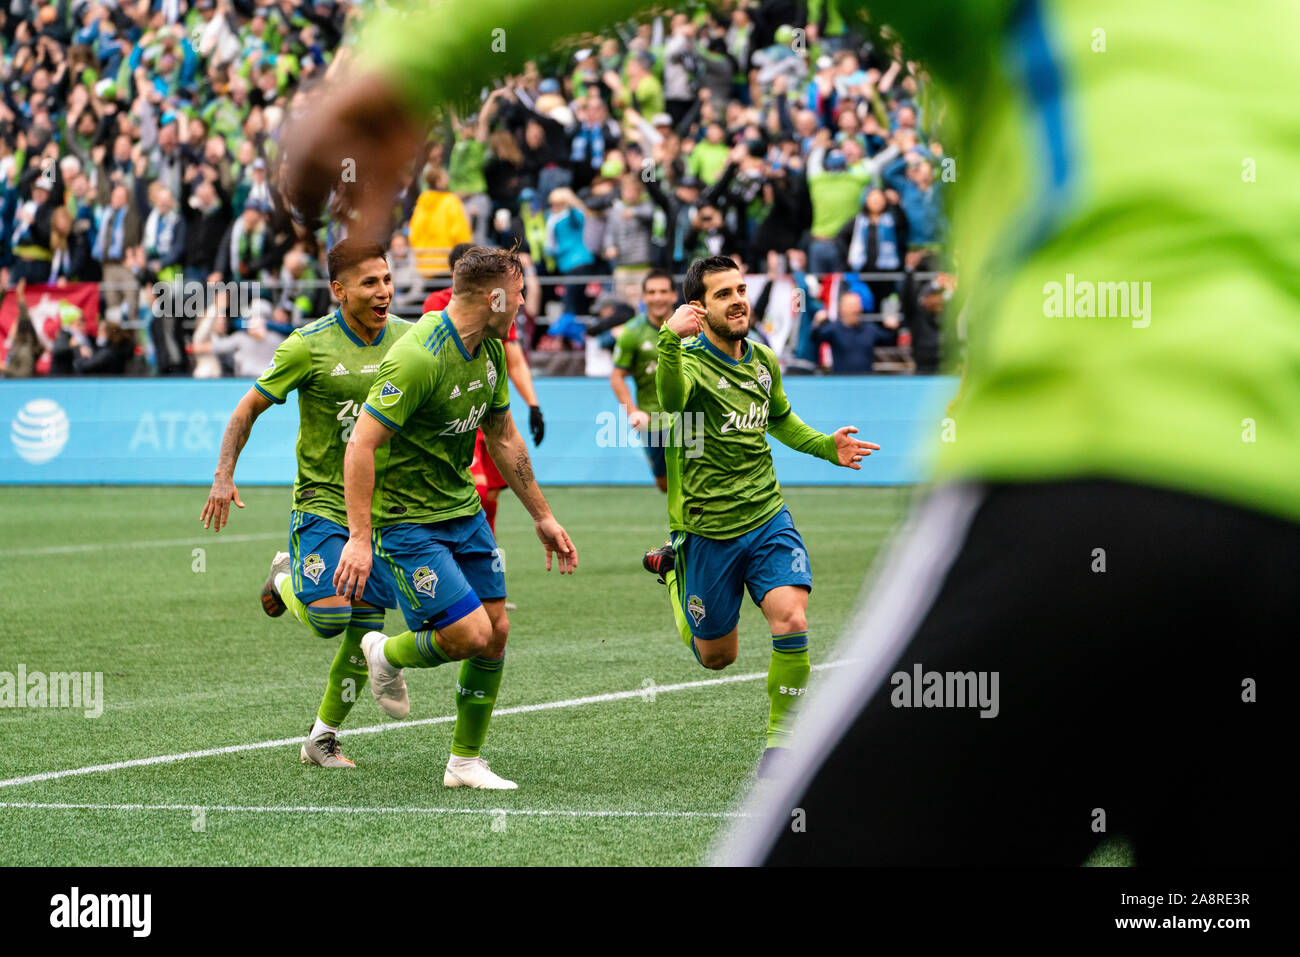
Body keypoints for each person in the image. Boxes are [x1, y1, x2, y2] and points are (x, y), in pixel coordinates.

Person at [336, 246, 578, 790]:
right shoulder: (419, 355)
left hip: (464, 510)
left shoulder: (490, 352)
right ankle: (383, 651)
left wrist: (541, 515)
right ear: (494, 296)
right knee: (469, 635)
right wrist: (359, 537)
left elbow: (503, 438)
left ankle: (463, 764)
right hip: (408, 520)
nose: (523, 304)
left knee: (497, 633)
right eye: (518, 294)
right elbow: (361, 446)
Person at [641, 255, 878, 777]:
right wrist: (667, 338)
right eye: (724, 293)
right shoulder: (688, 361)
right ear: (699, 309)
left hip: (767, 515)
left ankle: (782, 745)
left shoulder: (764, 360)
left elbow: (781, 420)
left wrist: (824, 446)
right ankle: (676, 572)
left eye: (741, 289)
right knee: (716, 657)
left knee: (791, 617)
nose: (739, 300)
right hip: (707, 530)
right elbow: (672, 401)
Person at [200, 239, 415, 768]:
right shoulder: (307, 346)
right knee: (327, 619)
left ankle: (321, 739)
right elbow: (247, 408)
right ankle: (283, 578)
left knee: (365, 632)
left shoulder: (413, 340)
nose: (384, 291)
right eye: (370, 283)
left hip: (383, 510)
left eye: (387, 280)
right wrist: (224, 475)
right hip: (322, 501)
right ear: (339, 291)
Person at [424, 243, 546, 539]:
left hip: (489, 407)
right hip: (458, 408)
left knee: (491, 493)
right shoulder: (436, 306)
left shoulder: (499, 321)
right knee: (475, 486)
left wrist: (533, 404)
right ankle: (459, 549)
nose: (520, 301)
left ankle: (485, 551)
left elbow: (514, 359)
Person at [609, 269, 677, 492]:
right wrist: (632, 412)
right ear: (644, 297)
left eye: (663, 292)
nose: (658, 297)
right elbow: (617, 376)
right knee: (664, 484)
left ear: (674, 296)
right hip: (652, 420)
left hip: (689, 417)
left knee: (690, 478)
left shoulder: (692, 329)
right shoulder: (632, 333)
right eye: (652, 292)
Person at [811, 289, 899, 373]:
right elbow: (815, 338)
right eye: (851, 306)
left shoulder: (870, 329)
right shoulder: (834, 329)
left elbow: (890, 340)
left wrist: (893, 328)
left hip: (866, 382)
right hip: (841, 382)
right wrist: (818, 322)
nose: (856, 309)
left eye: (857, 305)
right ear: (842, 309)